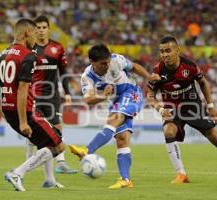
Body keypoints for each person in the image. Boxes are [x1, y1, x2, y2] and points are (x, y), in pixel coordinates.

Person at [0, 18, 65, 191]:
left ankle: (49, 180)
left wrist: (0, 110)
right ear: (27, 32)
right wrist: (23, 121)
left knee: (46, 144)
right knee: (58, 145)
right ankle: (17, 173)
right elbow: (22, 90)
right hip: (26, 112)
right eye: (35, 33)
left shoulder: (2, 55)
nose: (36, 38)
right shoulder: (28, 56)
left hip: (9, 111)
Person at [69, 44, 160, 189]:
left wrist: (149, 77)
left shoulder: (116, 60)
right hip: (116, 101)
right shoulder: (87, 77)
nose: (107, 65)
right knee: (122, 139)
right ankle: (126, 180)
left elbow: (134, 66)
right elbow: (88, 100)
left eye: (107, 62)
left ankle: (87, 150)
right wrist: (103, 95)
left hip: (131, 92)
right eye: (103, 63)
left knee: (114, 118)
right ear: (92, 62)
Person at [147, 36, 217, 184]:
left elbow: (203, 83)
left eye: (168, 50)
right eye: (161, 52)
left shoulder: (189, 66)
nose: (165, 55)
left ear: (177, 50)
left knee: (215, 137)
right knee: (168, 131)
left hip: (193, 107)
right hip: (172, 110)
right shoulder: (157, 70)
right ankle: (181, 174)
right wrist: (160, 109)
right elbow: (150, 95)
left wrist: (211, 107)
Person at [27, 15, 77, 174]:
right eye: (38, 28)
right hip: (33, 95)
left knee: (57, 127)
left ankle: (61, 162)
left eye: (44, 27)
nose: (41, 31)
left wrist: (67, 92)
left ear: (48, 29)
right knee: (31, 132)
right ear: (34, 30)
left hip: (52, 95)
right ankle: (29, 161)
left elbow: (63, 72)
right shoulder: (29, 49)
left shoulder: (57, 48)